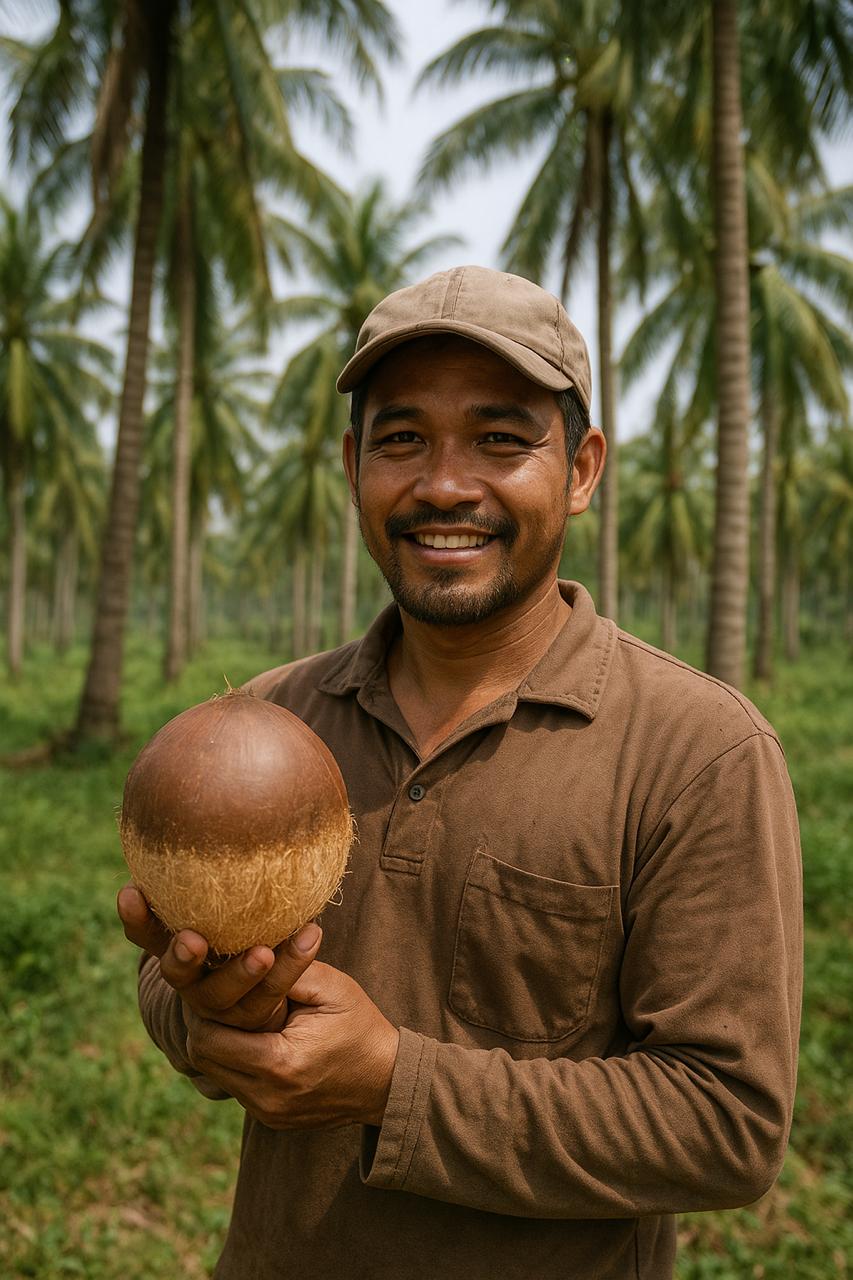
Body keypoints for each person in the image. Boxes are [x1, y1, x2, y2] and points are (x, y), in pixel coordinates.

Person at [119, 266, 803, 1280]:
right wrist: (205, 1013)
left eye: (499, 437)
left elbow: (725, 1121)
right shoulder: (268, 723)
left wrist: (391, 1083)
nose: (443, 484)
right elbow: (171, 981)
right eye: (401, 439)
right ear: (354, 466)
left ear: (579, 468)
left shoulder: (698, 753)